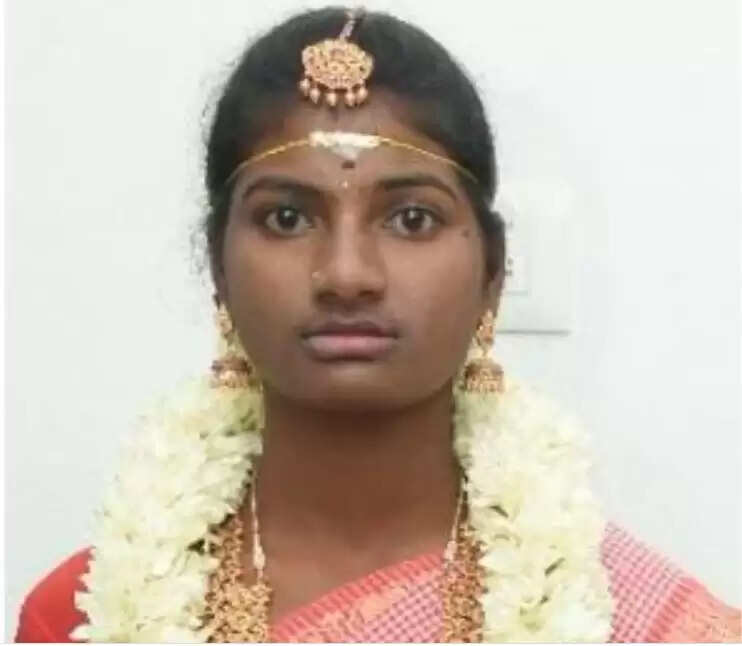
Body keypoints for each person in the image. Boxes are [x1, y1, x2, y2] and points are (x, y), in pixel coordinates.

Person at [14, 7, 740, 643]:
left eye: (412, 219)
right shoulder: (80, 620)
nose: (346, 274)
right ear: (218, 267)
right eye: (287, 217)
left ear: (493, 271)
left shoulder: (632, 620)